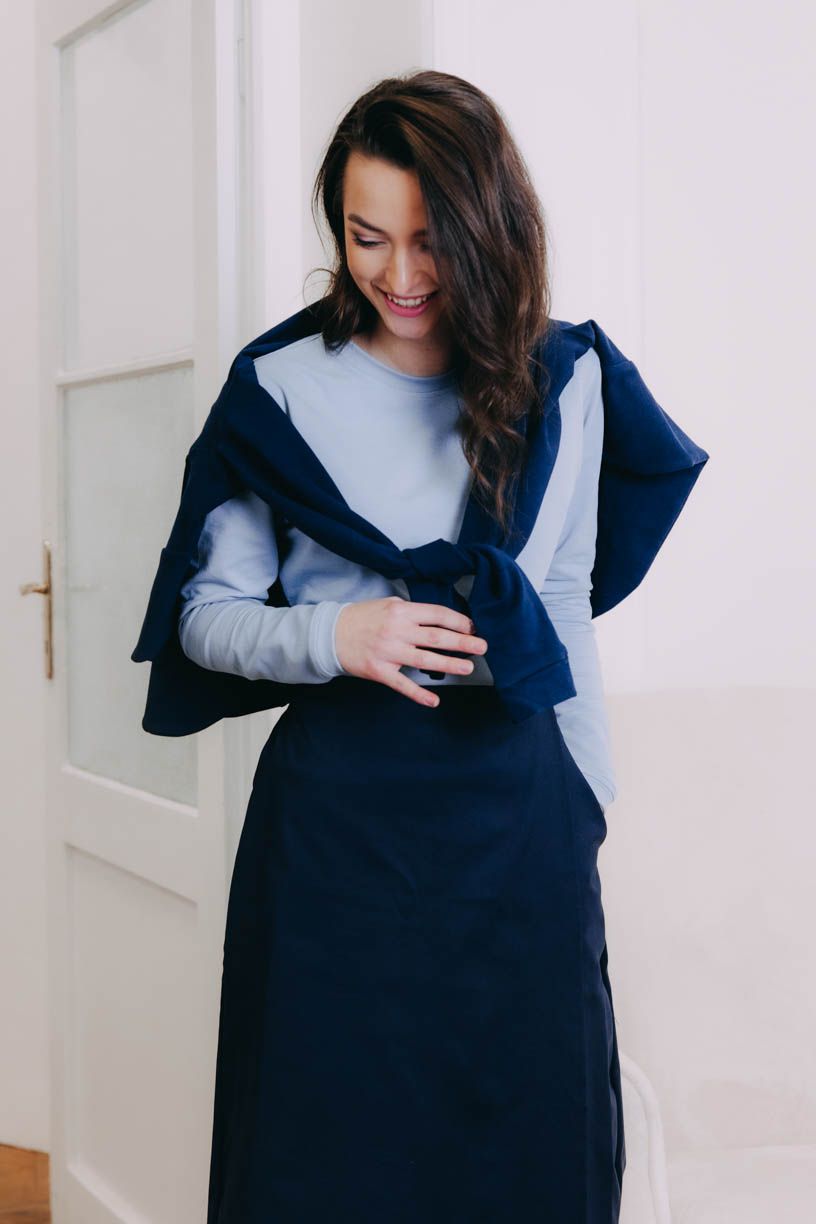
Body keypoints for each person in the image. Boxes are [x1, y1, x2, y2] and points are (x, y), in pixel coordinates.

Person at [132, 70, 709, 1223]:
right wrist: (339, 632)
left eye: (431, 237)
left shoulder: (566, 379)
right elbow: (204, 616)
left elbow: (558, 594)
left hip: (520, 823)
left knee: (530, 1156)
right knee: (325, 1162)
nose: (399, 274)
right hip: (338, 840)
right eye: (367, 237)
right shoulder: (276, 389)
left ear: (490, 224)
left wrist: (587, 798)